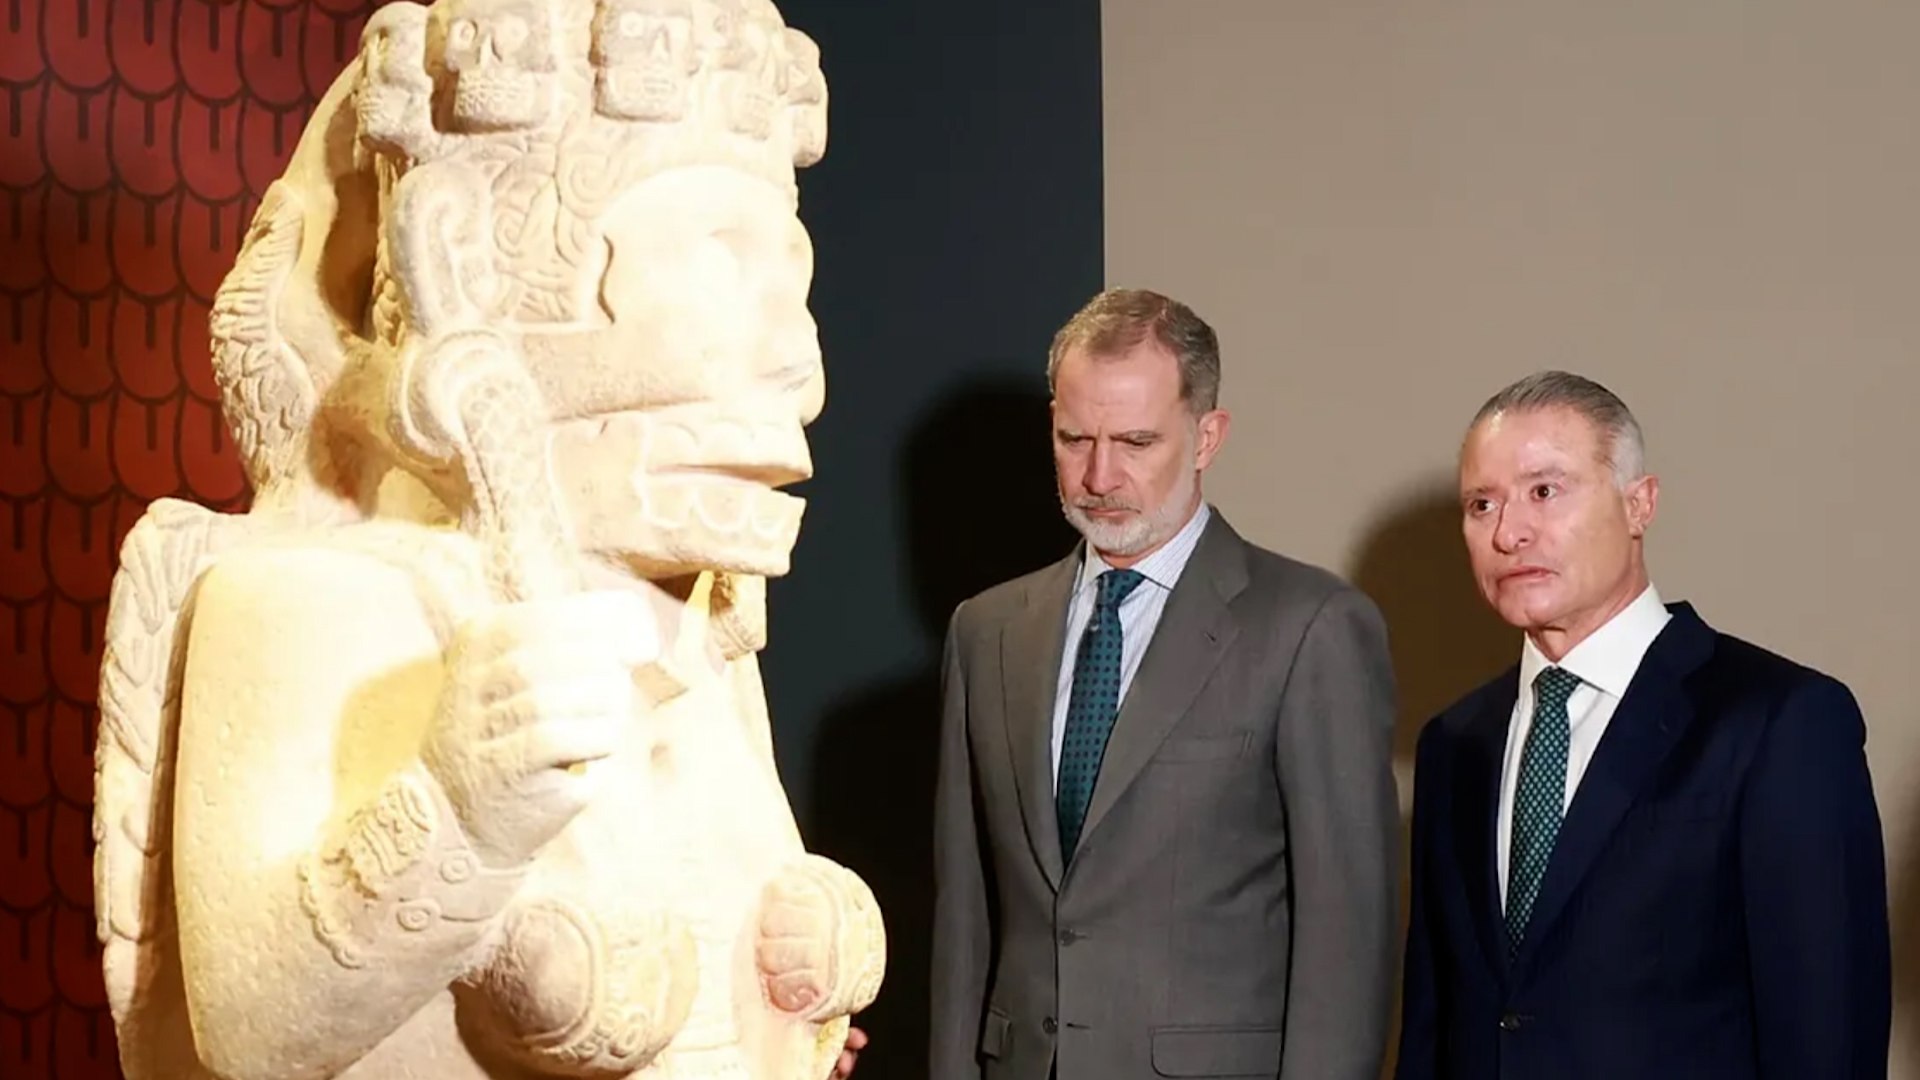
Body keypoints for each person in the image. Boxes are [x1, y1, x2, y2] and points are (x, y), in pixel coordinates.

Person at [930, 287, 1401, 1080]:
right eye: (1074, 438)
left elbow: (1346, 946)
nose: (1100, 474)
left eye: (1137, 441)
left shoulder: (1311, 627)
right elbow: (965, 920)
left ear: (1208, 435)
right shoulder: (985, 632)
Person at [1395, 371, 1891, 1079]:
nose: (1509, 532)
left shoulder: (1780, 721)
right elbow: (1433, 1026)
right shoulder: (1454, 743)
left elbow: (1827, 1034)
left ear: (1639, 504)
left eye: (1545, 490)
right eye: (1482, 504)